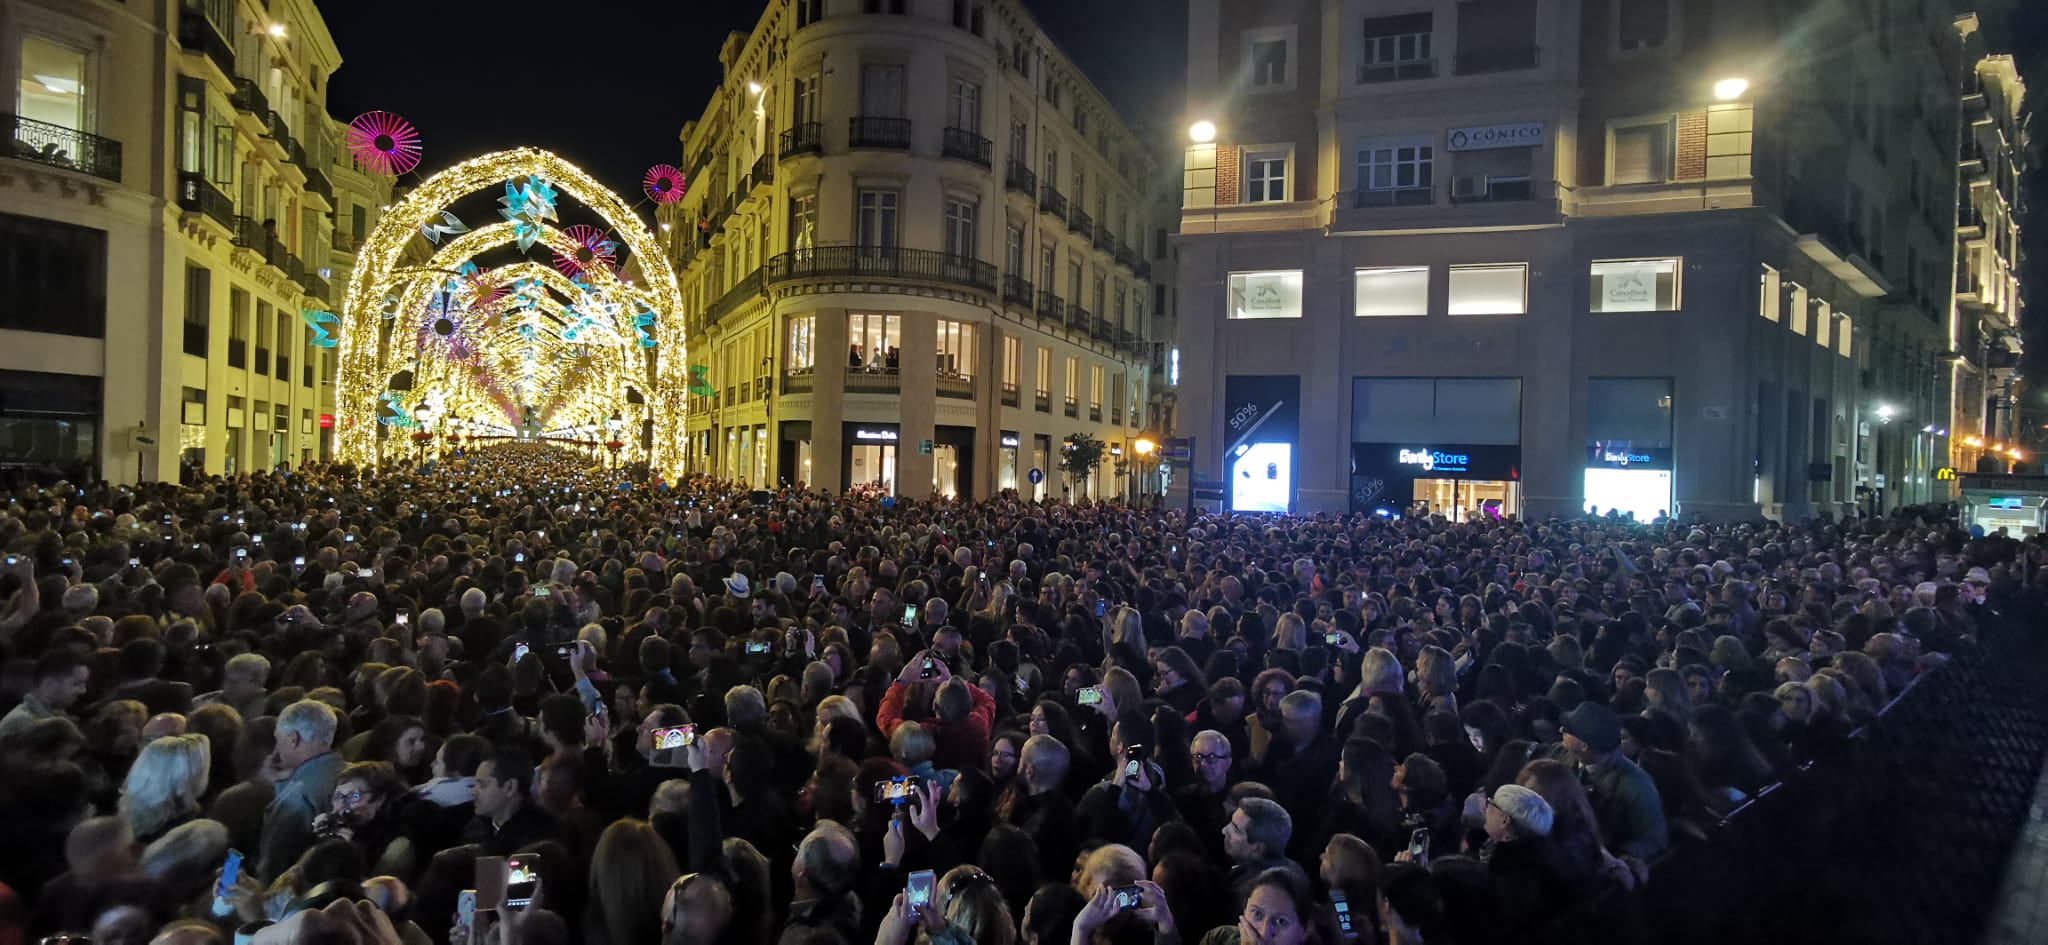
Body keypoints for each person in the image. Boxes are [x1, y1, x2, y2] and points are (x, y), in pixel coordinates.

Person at [1556, 702, 1668, 861]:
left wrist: (1624, 856)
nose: (1561, 730)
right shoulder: (1560, 755)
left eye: (1567, 731)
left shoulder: (1637, 784)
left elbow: (1654, 839)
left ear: (1583, 746)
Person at [255, 700, 343, 881]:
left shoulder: (298, 797)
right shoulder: (351, 774)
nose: (276, 749)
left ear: (293, 739)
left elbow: (272, 864)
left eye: (278, 739)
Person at [0, 648, 90, 737]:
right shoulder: (25, 724)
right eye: (76, 684)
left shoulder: (53, 717)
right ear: (49, 685)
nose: (83, 691)